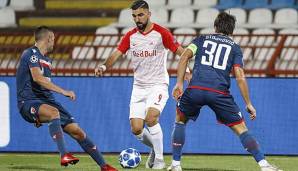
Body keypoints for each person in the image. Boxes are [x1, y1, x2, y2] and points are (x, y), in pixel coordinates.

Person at [167, 12, 283, 171]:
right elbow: (240, 76)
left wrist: (179, 83)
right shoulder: (235, 48)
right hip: (219, 93)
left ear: (215, 26)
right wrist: (248, 103)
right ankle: (264, 166)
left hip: (195, 89)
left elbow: (184, 57)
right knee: (242, 130)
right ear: (232, 30)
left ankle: (175, 165)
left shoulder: (201, 39)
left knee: (180, 121)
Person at [94, 0, 190, 169]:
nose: (137, 19)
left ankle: (159, 161)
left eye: (140, 15)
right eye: (134, 16)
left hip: (158, 84)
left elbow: (181, 52)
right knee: (136, 128)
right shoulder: (130, 36)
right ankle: (154, 146)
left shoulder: (162, 33)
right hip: (138, 87)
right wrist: (103, 66)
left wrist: (187, 70)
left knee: (151, 118)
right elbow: (116, 54)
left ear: (148, 14)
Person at [16, 26, 118, 171]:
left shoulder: (47, 60)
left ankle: (104, 166)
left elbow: (44, 86)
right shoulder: (30, 53)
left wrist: (40, 115)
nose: (54, 43)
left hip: (46, 103)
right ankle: (64, 155)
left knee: (78, 132)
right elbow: (37, 78)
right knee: (53, 113)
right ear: (49, 38)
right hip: (28, 102)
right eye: (53, 39)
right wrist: (63, 91)